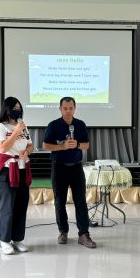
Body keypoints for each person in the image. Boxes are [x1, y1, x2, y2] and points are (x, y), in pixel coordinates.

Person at [43, 96, 96, 248]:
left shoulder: (80, 124)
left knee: (81, 201)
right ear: (60, 109)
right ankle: (63, 231)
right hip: (59, 167)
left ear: (74, 109)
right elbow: (46, 145)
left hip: (76, 168)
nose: (68, 111)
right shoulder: (53, 125)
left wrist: (77, 144)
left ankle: (84, 234)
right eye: (65, 108)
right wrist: (63, 147)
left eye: (70, 108)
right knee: (60, 202)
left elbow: (86, 145)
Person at [0, 97, 34, 255]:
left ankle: (17, 239)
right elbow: (2, 148)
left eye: (19, 108)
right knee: (7, 207)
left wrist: (27, 152)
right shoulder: (0, 127)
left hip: (21, 168)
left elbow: (31, 145)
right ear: (7, 110)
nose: (18, 111)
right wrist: (16, 132)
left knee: (21, 206)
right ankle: (4, 241)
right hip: (6, 169)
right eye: (14, 108)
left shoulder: (23, 127)